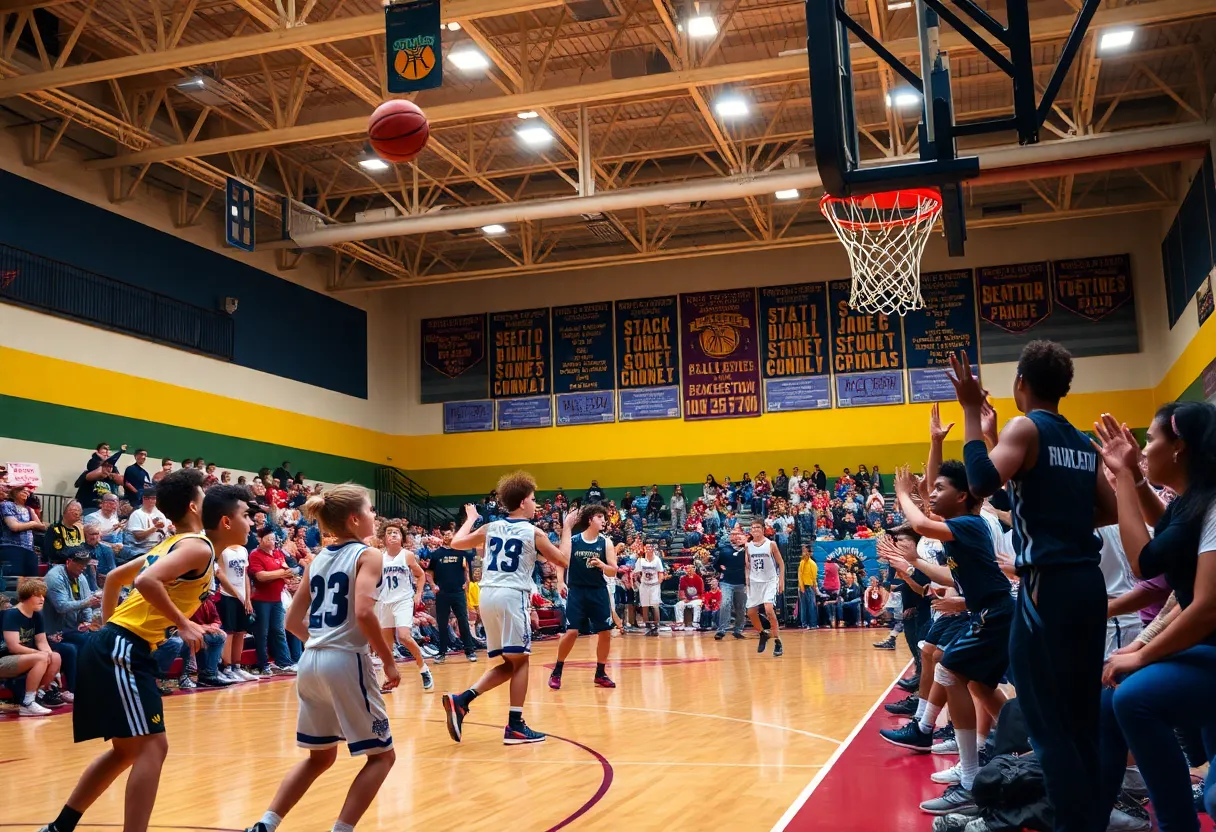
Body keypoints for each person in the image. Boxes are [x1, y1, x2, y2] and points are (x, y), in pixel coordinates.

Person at [949, 343, 1116, 832]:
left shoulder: (1027, 426)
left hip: (1048, 589)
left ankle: (1067, 823)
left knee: (1048, 725)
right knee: (1082, 720)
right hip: (1089, 586)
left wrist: (967, 409)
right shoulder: (1082, 442)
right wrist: (1059, 515)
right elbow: (1107, 510)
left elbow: (979, 482)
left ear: (1021, 382)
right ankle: (1090, 819)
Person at [38, 472, 251, 832]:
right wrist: (182, 624)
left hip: (117, 644)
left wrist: (107, 628)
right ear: (196, 506)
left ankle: (59, 827)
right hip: (125, 646)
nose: (249, 521)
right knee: (153, 748)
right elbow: (142, 581)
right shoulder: (197, 547)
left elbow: (117, 576)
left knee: (128, 751)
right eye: (246, 514)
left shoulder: (180, 544)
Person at [242, 484, 398, 832]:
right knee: (383, 756)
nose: (375, 516)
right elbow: (363, 612)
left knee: (321, 755)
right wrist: (388, 660)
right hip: (345, 660)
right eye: (371, 510)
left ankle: (265, 824)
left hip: (310, 661)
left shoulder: (318, 558)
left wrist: (324, 643)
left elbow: (292, 622)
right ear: (356, 519)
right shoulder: (368, 555)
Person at [1093, 403, 1216, 829]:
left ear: (1179, 447)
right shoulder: (1192, 503)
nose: (1143, 449)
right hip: (1204, 648)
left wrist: (1125, 477)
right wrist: (1138, 479)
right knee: (1110, 696)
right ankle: (1091, 817)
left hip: (1209, 647)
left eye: (1151, 441)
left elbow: (1148, 566)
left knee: (1134, 697)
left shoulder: (1214, 504)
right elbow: (1169, 543)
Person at [889, 462, 1014, 815]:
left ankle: (972, 781)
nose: (932, 493)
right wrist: (917, 562)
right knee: (980, 687)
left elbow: (921, 523)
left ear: (961, 497)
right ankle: (1022, 743)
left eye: (939, 488)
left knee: (947, 671)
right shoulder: (961, 530)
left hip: (996, 615)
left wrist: (902, 493)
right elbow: (952, 573)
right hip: (991, 612)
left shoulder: (970, 524)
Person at [441, 472, 572, 746]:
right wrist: (567, 527)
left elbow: (455, 543)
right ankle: (515, 726)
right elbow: (563, 560)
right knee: (521, 661)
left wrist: (470, 520)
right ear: (523, 502)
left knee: (510, 662)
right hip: (512, 596)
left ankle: (462, 701)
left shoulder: (491, 528)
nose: (536, 505)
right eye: (534, 500)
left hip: (488, 594)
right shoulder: (533, 532)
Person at [549, 504, 617, 690]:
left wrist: (602, 565)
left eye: (604, 517)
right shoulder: (574, 540)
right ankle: (557, 670)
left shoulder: (606, 542)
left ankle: (600, 673)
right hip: (577, 591)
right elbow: (561, 561)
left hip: (598, 591)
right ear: (590, 520)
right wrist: (560, 582)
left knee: (605, 632)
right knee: (572, 632)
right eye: (599, 517)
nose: (603, 520)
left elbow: (613, 571)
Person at [375, 523, 432, 691]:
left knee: (404, 636)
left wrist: (418, 593)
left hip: (403, 600)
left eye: (396, 532)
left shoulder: (406, 555)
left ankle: (424, 669)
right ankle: (389, 678)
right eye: (389, 532)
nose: (393, 535)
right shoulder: (379, 557)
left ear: (402, 537)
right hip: (384, 602)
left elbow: (421, 575)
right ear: (384, 537)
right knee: (387, 646)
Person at [0, 578, 61, 715]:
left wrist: (52, 662)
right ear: (26, 597)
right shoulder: (12, 614)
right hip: (4, 659)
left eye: (43, 595)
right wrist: (40, 654)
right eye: (37, 595)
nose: (42, 599)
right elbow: (13, 647)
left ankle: (36, 695)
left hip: (23, 658)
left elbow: (42, 642)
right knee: (41, 658)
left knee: (55, 657)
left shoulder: (37, 615)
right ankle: (27, 703)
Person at [249, 526, 297, 675]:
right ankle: (263, 664)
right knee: (262, 632)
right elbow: (261, 576)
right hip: (261, 600)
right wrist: (281, 573)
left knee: (279, 630)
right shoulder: (255, 555)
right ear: (260, 540)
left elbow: (289, 571)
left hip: (277, 599)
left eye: (273, 538)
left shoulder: (277, 553)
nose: (272, 542)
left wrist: (281, 574)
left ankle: (284, 662)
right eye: (268, 539)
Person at [426, 531, 478, 663]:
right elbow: (429, 571)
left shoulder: (461, 552)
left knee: (463, 621)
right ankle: (442, 652)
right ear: (441, 537)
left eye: (449, 534)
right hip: (442, 592)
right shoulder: (436, 554)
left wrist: (467, 583)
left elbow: (466, 570)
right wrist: (432, 585)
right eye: (445, 534)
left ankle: (469, 651)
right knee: (442, 623)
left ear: (454, 536)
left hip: (458, 593)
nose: (447, 537)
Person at [217, 540, 257, 683]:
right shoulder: (223, 550)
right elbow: (221, 575)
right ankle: (226, 668)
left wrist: (247, 598)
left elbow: (245, 575)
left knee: (241, 631)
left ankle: (237, 667)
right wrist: (236, 594)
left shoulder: (243, 550)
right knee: (230, 632)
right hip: (228, 596)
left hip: (242, 598)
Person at [745, 519, 784, 656]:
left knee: (768, 609)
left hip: (770, 580)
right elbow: (747, 566)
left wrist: (781, 581)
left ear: (763, 529)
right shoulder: (748, 546)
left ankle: (777, 641)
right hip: (755, 582)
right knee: (750, 612)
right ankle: (763, 633)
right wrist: (747, 581)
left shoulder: (771, 544)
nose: (755, 530)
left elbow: (781, 563)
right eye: (752, 527)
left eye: (757, 527)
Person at [125, 487, 170, 560]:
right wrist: (155, 528)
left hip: (160, 546)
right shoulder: (136, 514)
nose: (151, 501)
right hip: (141, 549)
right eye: (148, 498)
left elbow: (166, 532)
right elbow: (138, 536)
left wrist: (171, 530)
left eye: (153, 498)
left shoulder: (160, 514)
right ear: (143, 499)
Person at [43, 501, 85, 565]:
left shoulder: (81, 529)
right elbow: (56, 554)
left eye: (79, 510)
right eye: (73, 510)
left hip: (80, 565)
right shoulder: (55, 529)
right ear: (64, 512)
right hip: (61, 565)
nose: (77, 513)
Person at [636, 544, 666, 636]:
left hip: (654, 585)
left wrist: (659, 582)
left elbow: (661, 572)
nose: (649, 549)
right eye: (647, 548)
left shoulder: (657, 560)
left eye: (650, 548)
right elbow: (637, 573)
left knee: (655, 605)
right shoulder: (640, 560)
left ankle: (656, 625)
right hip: (644, 585)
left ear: (653, 549)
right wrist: (640, 582)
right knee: (644, 605)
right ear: (645, 549)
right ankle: (648, 626)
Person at [673, 564, 704, 630]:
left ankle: (696, 623)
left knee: (697, 605)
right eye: (687, 569)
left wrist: (690, 599)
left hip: (696, 598)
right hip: (686, 598)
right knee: (678, 605)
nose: (688, 571)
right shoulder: (683, 578)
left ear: (694, 570)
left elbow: (700, 593)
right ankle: (680, 623)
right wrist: (684, 598)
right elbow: (681, 590)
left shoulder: (699, 579)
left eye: (690, 569)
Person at [797, 546, 819, 628]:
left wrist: (814, 586)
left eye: (806, 552)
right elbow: (800, 574)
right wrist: (801, 586)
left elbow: (814, 577)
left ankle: (810, 623)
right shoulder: (803, 562)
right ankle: (807, 624)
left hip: (809, 586)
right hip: (806, 586)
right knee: (806, 606)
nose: (804, 553)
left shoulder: (812, 563)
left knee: (809, 606)